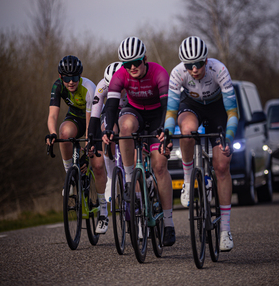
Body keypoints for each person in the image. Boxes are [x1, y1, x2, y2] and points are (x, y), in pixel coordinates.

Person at [163, 36, 238, 251]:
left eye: (199, 64)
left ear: (206, 60)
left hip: (217, 110)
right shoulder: (177, 73)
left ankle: (225, 229)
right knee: (186, 131)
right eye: (189, 65)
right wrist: (168, 134)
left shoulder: (219, 70)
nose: (194, 69)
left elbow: (233, 112)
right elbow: (171, 111)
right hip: (192, 106)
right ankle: (188, 180)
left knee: (222, 165)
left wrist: (229, 138)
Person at [102, 36, 176, 247]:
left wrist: (165, 129)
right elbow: (111, 106)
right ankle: (128, 178)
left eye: (136, 62)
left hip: (156, 118)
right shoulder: (120, 75)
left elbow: (166, 107)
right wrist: (108, 129)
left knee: (160, 166)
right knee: (124, 126)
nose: (132, 67)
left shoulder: (159, 73)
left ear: (145, 59)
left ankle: (169, 223)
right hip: (134, 114)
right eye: (127, 64)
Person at [45, 55, 108, 234]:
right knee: (64, 134)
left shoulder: (88, 88)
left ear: (80, 76)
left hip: (94, 120)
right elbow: (52, 116)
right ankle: (70, 178)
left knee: (97, 164)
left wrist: (89, 147)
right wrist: (52, 133)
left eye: (75, 78)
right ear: (60, 77)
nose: (71, 82)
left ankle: (103, 210)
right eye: (67, 78)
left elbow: (90, 126)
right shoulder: (57, 87)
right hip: (74, 118)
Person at [88, 61, 125, 209]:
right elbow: (95, 115)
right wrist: (91, 137)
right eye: (111, 86)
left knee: (127, 128)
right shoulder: (101, 86)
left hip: (128, 110)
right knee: (106, 130)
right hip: (110, 111)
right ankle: (110, 177)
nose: (115, 89)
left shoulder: (131, 83)